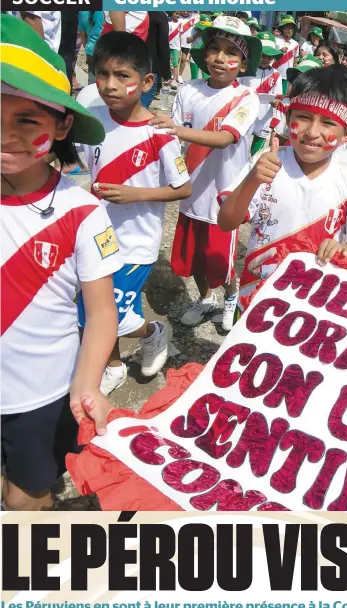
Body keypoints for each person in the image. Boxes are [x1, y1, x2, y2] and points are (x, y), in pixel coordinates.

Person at [0, 15, 120, 510]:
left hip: (39, 397)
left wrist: (86, 382)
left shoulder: (84, 213)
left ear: (63, 123)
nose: (4, 135)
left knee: (27, 496)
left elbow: (102, 312)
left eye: (26, 120)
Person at [77, 32, 192, 395]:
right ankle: (112, 366)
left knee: (112, 316)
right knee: (90, 312)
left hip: (136, 242)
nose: (110, 85)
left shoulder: (160, 132)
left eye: (122, 76)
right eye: (102, 74)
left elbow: (183, 188)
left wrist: (135, 194)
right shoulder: (92, 116)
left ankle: (153, 331)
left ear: (145, 82)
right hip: (94, 236)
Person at [218, 65, 347, 309]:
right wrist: (252, 180)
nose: (312, 132)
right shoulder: (266, 164)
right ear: (288, 118)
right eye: (303, 117)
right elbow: (226, 222)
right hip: (255, 298)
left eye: (327, 123)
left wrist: (343, 250)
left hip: (313, 307)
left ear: (346, 134)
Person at [150, 16, 261, 330]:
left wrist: (177, 131)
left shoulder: (245, 98)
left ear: (242, 62)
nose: (221, 59)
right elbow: (172, 135)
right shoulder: (189, 90)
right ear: (204, 54)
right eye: (215, 49)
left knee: (219, 260)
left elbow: (226, 138)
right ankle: (206, 298)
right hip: (191, 191)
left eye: (231, 53)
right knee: (195, 257)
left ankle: (229, 296)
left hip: (223, 195)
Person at [241, 31, 283, 156]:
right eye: (263, 55)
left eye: (269, 56)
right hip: (245, 112)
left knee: (257, 147)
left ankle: (252, 164)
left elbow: (279, 96)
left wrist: (276, 102)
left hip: (265, 115)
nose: (265, 59)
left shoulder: (276, 75)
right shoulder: (245, 69)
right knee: (242, 143)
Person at [274, 14, 299, 94]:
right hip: (274, 73)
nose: (290, 30)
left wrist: (294, 77)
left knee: (282, 98)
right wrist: (279, 52)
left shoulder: (295, 44)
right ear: (282, 28)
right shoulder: (275, 40)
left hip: (286, 77)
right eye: (287, 28)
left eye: (291, 28)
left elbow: (295, 61)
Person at [78, 11, 105, 83]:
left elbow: (83, 35)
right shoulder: (104, 11)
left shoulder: (82, 12)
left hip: (90, 50)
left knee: (92, 79)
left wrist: (87, 47)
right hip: (105, 50)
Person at [168, 12, 182, 87]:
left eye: (179, 14)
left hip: (176, 47)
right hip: (168, 45)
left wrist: (180, 48)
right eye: (176, 13)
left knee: (175, 63)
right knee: (167, 62)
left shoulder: (180, 23)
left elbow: (180, 36)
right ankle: (167, 77)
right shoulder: (168, 22)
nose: (177, 15)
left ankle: (174, 80)